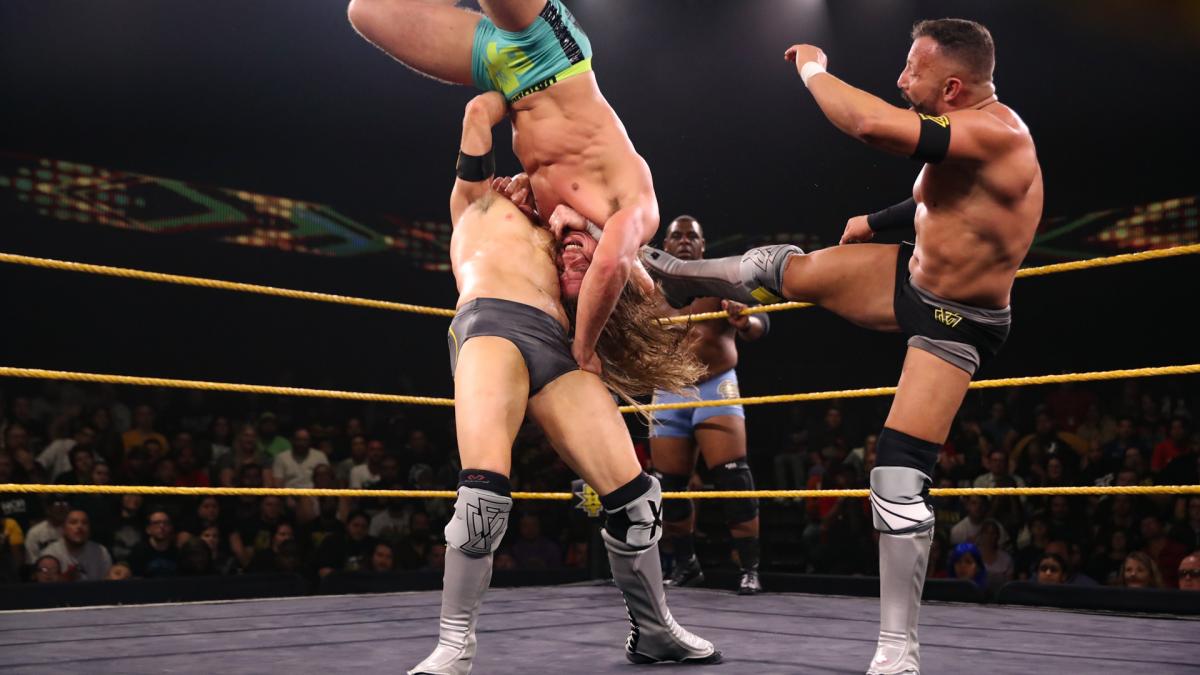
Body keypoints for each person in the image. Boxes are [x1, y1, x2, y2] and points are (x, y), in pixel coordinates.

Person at [640, 18, 1041, 675]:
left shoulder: (1001, 135)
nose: (900, 78)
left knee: (896, 475)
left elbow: (870, 125)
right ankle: (684, 277)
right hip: (911, 277)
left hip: (958, 318)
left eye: (912, 70)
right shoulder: (966, 131)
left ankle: (897, 649)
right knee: (785, 268)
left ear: (951, 88)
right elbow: (942, 198)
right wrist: (875, 221)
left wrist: (813, 68)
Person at [403, 94, 718, 675]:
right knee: (482, 499)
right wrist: (530, 87)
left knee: (638, 501)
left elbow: (642, 286)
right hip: (490, 323)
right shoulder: (474, 199)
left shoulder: (562, 225)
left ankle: (654, 632)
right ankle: (454, 645)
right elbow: (478, 110)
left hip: (559, 344)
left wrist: (587, 225)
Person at [347, 0, 659, 375]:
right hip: (548, 53)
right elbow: (615, 267)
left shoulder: (552, 223)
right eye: (582, 271)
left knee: (366, 12)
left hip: (500, 77)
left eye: (564, 274)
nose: (570, 262)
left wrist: (519, 190)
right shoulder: (637, 209)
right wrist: (584, 349)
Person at [646, 215, 769, 595]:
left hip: (716, 383)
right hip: (669, 389)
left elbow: (762, 319)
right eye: (677, 236)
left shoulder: (721, 278)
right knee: (669, 486)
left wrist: (745, 322)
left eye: (692, 236)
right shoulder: (649, 290)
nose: (684, 241)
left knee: (734, 478)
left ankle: (749, 568)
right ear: (666, 245)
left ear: (702, 245)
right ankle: (686, 565)